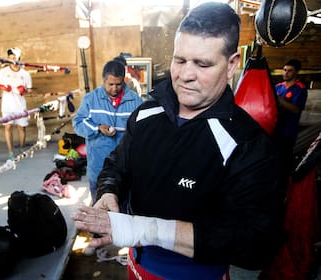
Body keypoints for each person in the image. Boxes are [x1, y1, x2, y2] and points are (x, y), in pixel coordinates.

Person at [72, 2, 285, 279]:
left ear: (232, 64)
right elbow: (117, 164)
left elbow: (256, 243)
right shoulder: (146, 113)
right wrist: (109, 191)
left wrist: (146, 230)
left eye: (203, 64)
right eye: (180, 60)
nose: (186, 75)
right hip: (136, 265)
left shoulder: (245, 143)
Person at [73, 59, 143, 205]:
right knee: (99, 207)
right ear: (103, 80)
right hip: (98, 167)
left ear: (124, 80)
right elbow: (78, 123)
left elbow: (142, 130)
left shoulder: (135, 102)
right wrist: (97, 128)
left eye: (118, 84)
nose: (114, 88)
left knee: (123, 208)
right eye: (110, 84)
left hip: (125, 168)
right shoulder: (91, 100)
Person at [0, 48, 32, 160]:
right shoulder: (3, 72)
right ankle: (10, 153)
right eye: (10, 57)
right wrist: (3, 87)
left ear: (19, 58)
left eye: (14, 57)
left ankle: (21, 149)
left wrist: (24, 90)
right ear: (8, 58)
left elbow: (29, 89)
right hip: (7, 104)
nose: (13, 59)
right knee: (8, 127)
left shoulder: (25, 74)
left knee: (21, 128)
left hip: (20, 105)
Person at [273, 59, 308, 178]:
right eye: (285, 70)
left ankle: (284, 190)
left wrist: (278, 99)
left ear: (296, 72)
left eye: (290, 71)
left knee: (284, 163)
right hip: (274, 129)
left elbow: (295, 109)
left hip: (288, 132)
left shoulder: (300, 89)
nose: (286, 73)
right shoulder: (277, 87)